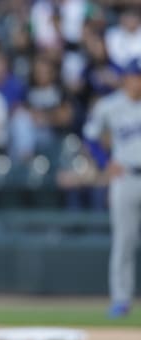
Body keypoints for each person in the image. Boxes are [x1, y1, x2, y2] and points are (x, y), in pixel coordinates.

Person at [83, 57, 141, 319]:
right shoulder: (110, 105)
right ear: (125, 78)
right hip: (126, 177)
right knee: (124, 240)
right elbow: (91, 136)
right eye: (134, 75)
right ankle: (121, 299)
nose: (136, 80)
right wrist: (105, 162)